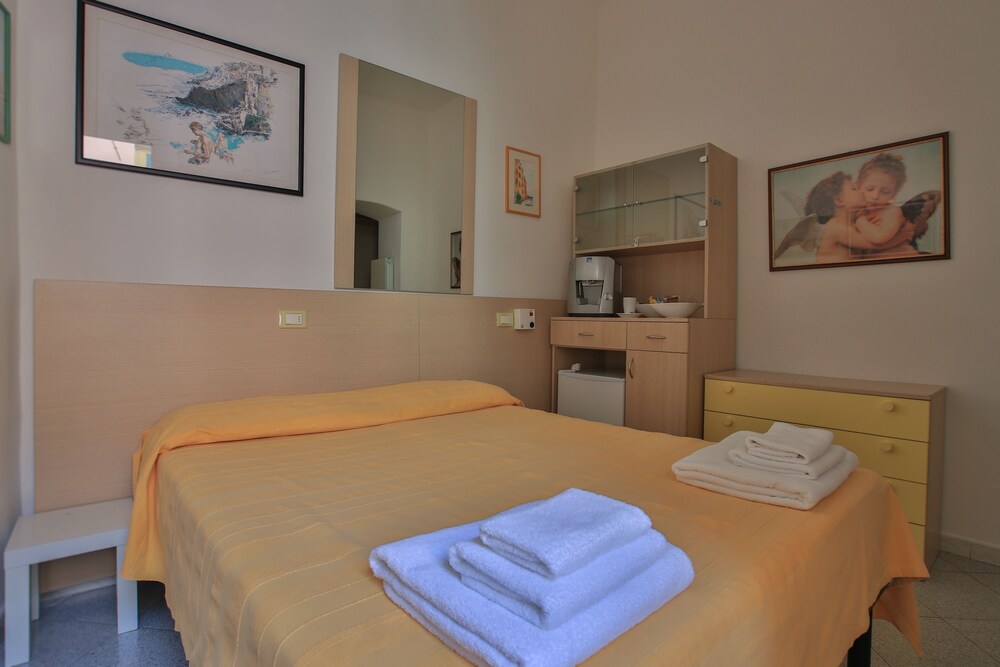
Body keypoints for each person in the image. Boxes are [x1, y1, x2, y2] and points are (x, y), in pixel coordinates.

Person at [804, 171, 914, 263]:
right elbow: (877, 245)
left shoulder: (851, 225)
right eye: (853, 188)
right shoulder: (835, 227)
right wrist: (904, 234)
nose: (861, 191)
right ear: (840, 200)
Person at [849, 152, 919, 258]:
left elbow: (878, 238)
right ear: (858, 185)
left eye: (885, 191)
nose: (875, 196)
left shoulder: (891, 211)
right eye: (870, 189)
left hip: (899, 259)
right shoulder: (854, 210)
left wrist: (860, 220)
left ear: (895, 193)